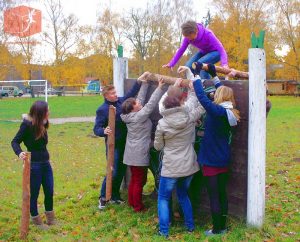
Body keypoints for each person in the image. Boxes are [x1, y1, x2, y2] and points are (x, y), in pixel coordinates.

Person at [181, 63, 240, 236]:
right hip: (223, 158)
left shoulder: (216, 111)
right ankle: (223, 224)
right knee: (222, 193)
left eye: (216, 93)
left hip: (211, 161)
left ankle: (217, 229)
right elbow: (223, 91)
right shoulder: (230, 111)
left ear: (220, 97)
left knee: (214, 195)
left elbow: (201, 97)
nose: (214, 94)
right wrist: (214, 76)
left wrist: (196, 76)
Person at [154, 79, 205, 238]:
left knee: (163, 198)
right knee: (183, 195)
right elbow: (203, 106)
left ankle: (164, 231)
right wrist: (195, 89)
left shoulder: (162, 123)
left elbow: (157, 146)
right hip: (189, 164)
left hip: (171, 167)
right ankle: (190, 226)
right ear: (179, 104)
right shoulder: (189, 117)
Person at [93, 79, 142, 209]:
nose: (115, 95)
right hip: (113, 146)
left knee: (120, 171)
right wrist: (104, 130)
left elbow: (131, 93)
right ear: (106, 96)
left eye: (115, 92)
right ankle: (103, 197)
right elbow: (96, 128)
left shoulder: (120, 101)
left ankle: (114, 196)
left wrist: (139, 81)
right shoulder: (102, 110)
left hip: (125, 143)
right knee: (112, 171)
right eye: (112, 93)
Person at [121, 76, 165, 212]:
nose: (139, 104)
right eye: (137, 105)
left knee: (135, 178)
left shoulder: (130, 114)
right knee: (139, 180)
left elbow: (139, 101)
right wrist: (159, 88)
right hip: (139, 153)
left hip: (131, 153)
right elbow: (150, 105)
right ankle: (138, 207)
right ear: (133, 109)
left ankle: (132, 202)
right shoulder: (139, 115)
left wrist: (145, 84)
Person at [11, 101, 56, 228]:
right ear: (41, 113)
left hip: (46, 164)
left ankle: (50, 219)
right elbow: (14, 142)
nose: (49, 112)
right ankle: (36, 220)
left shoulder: (43, 123)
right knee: (34, 194)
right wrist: (20, 153)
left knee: (49, 191)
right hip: (34, 165)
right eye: (47, 110)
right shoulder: (26, 126)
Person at [162, 20, 228, 79]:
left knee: (200, 63)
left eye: (191, 38)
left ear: (196, 31)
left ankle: (207, 85)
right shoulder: (187, 38)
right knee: (188, 66)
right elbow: (181, 50)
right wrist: (171, 63)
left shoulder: (208, 34)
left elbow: (221, 49)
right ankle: (195, 83)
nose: (190, 39)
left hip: (216, 53)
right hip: (204, 52)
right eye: (187, 38)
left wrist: (224, 64)